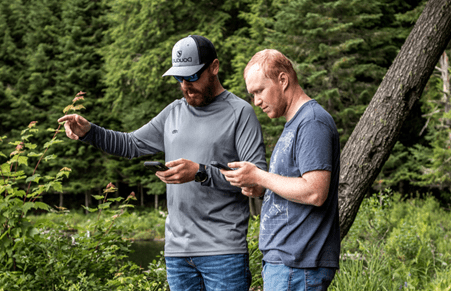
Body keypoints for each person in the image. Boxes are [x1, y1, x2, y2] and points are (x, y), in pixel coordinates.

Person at [58, 35, 267, 291]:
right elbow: (131, 144)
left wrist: (201, 173)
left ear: (214, 67)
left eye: (192, 77)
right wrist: (90, 132)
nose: (185, 85)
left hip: (223, 252)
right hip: (177, 254)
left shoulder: (240, 113)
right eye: (179, 78)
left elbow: (257, 182)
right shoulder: (173, 113)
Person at [221, 49, 340, 290]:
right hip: (285, 265)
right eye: (252, 94)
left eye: (259, 91)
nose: (256, 101)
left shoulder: (312, 122)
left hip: (298, 266)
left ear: (283, 80)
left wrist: (259, 175)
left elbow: (315, 192)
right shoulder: (295, 123)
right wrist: (261, 187)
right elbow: (295, 187)